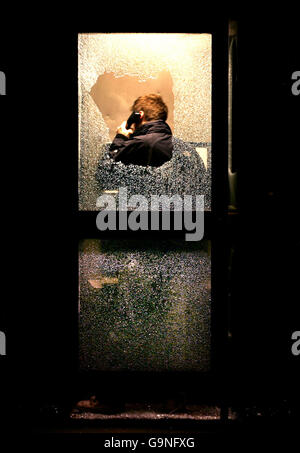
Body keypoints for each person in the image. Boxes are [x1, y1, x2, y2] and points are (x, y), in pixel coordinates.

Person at [109, 94, 173, 167]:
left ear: (140, 115)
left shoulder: (141, 142)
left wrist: (121, 137)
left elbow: (108, 167)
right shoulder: (173, 143)